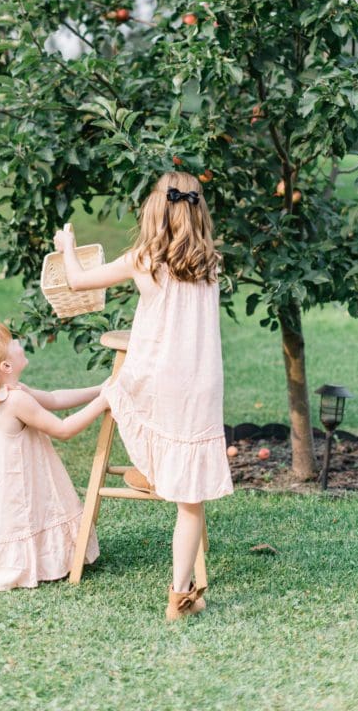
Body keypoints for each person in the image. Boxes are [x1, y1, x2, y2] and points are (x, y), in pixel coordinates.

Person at [54, 171, 233, 621]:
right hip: (202, 387)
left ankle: (152, 470)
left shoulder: (145, 259)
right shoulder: (212, 263)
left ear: (156, 209)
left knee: (118, 391)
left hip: (160, 380)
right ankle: (180, 595)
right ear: (199, 213)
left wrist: (66, 246)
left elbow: (77, 282)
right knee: (190, 502)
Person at [0, 318, 107, 590]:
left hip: (6, 490)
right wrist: (103, 403)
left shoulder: (2, 393)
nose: (18, 341)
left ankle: (21, 560)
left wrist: (100, 389)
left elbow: (55, 398)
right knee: (25, 517)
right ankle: (31, 562)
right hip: (17, 489)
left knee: (22, 515)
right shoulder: (15, 401)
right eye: (12, 341)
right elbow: (63, 429)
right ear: (6, 366)